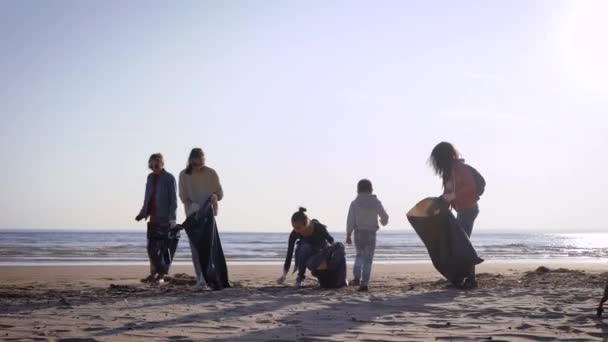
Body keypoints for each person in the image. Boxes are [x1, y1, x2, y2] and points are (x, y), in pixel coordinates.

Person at [429, 142, 482, 289]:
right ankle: (460, 279)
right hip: (462, 210)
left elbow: (470, 187)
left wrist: (452, 196)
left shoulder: (460, 168)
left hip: (469, 209)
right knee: (460, 244)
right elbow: (448, 193)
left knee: (463, 245)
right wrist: (441, 202)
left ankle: (470, 280)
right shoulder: (449, 171)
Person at [179, 148, 224, 290]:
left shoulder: (211, 173)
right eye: (197, 164)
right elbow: (183, 196)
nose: (199, 166)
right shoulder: (183, 175)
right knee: (195, 249)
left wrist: (215, 197)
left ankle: (210, 278)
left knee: (209, 248)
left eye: (202, 163)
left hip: (208, 216)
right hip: (192, 216)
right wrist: (192, 205)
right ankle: (200, 279)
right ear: (191, 161)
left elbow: (220, 193)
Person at [135, 153, 178, 284]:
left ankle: (161, 275)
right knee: (151, 249)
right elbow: (147, 197)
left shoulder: (169, 178)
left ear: (162, 163)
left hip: (165, 218)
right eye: (151, 165)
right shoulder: (150, 177)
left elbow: (173, 200)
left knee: (163, 250)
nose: (154, 167)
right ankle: (153, 274)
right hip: (152, 218)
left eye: (156, 164)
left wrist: (172, 219)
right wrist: (143, 212)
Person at [277, 207, 343, 288]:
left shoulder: (318, 227)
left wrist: (329, 258)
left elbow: (331, 241)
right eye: (294, 227)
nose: (296, 230)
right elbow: (289, 255)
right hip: (309, 260)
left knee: (339, 246)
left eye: (298, 228)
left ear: (306, 224)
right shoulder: (294, 233)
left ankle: (329, 276)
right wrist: (284, 275)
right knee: (304, 246)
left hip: (321, 257)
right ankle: (300, 278)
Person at [346, 179, 389, 292]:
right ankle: (364, 284)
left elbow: (350, 220)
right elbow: (384, 216)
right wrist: (383, 221)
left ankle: (356, 278)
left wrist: (348, 234)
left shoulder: (355, 202)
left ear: (358, 189)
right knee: (368, 259)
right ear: (371, 189)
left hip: (359, 232)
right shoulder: (375, 201)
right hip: (371, 233)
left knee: (359, 255)